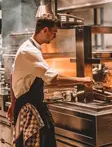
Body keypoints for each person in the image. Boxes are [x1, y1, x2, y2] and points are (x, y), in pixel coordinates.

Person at [6, 13, 92, 147]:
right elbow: (54, 79)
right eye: (54, 32)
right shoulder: (29, 51)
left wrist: (13, 102)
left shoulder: (30, 47)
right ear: (45, 30)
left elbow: (13, 75)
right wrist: (83, 80)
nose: (55, 37)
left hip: (27, 104)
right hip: (30, 110)